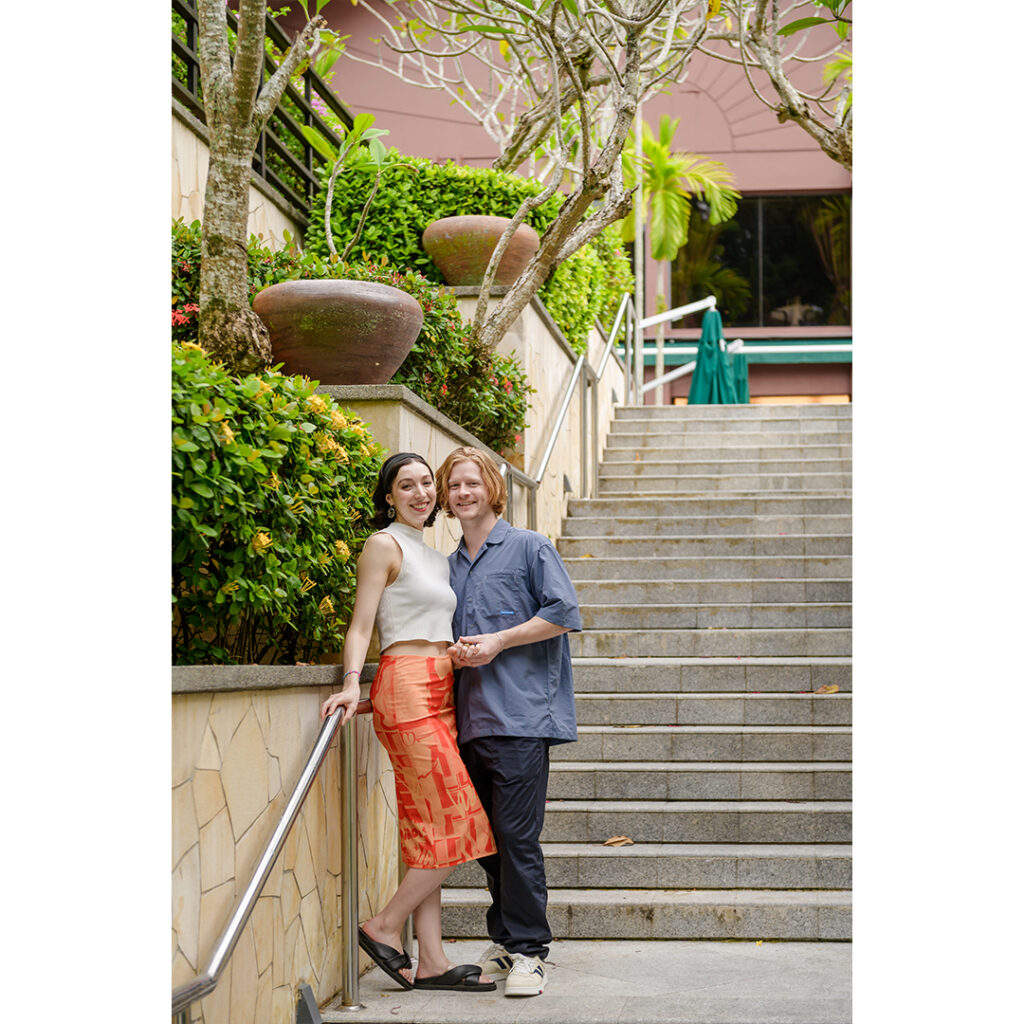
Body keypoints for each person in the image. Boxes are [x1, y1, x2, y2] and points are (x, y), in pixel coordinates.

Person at [320, 452, 497, 993]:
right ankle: (383, 925)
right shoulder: (385, 544)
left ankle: (434, 962)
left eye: (427, 484)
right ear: (390, 496)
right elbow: (363, 624)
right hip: (406, 687)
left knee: (427, 832)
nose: (420, 493)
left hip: (439, 688)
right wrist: (355, 683)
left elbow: (430, 626)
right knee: (465, 825)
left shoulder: (437, 559)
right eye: (406, 486)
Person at [435, 446, 582, 998]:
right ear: (446, 499)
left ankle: (529, 953)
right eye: (454, 486)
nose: (463, 493)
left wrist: (500, 639)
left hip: (521, 718)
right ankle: (505, 941)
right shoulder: (447, 568)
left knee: (517, 837)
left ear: (492, 489)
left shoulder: (529, 547)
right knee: (485, 841)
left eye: (472, 483)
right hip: (468, 721)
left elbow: (563, 613)